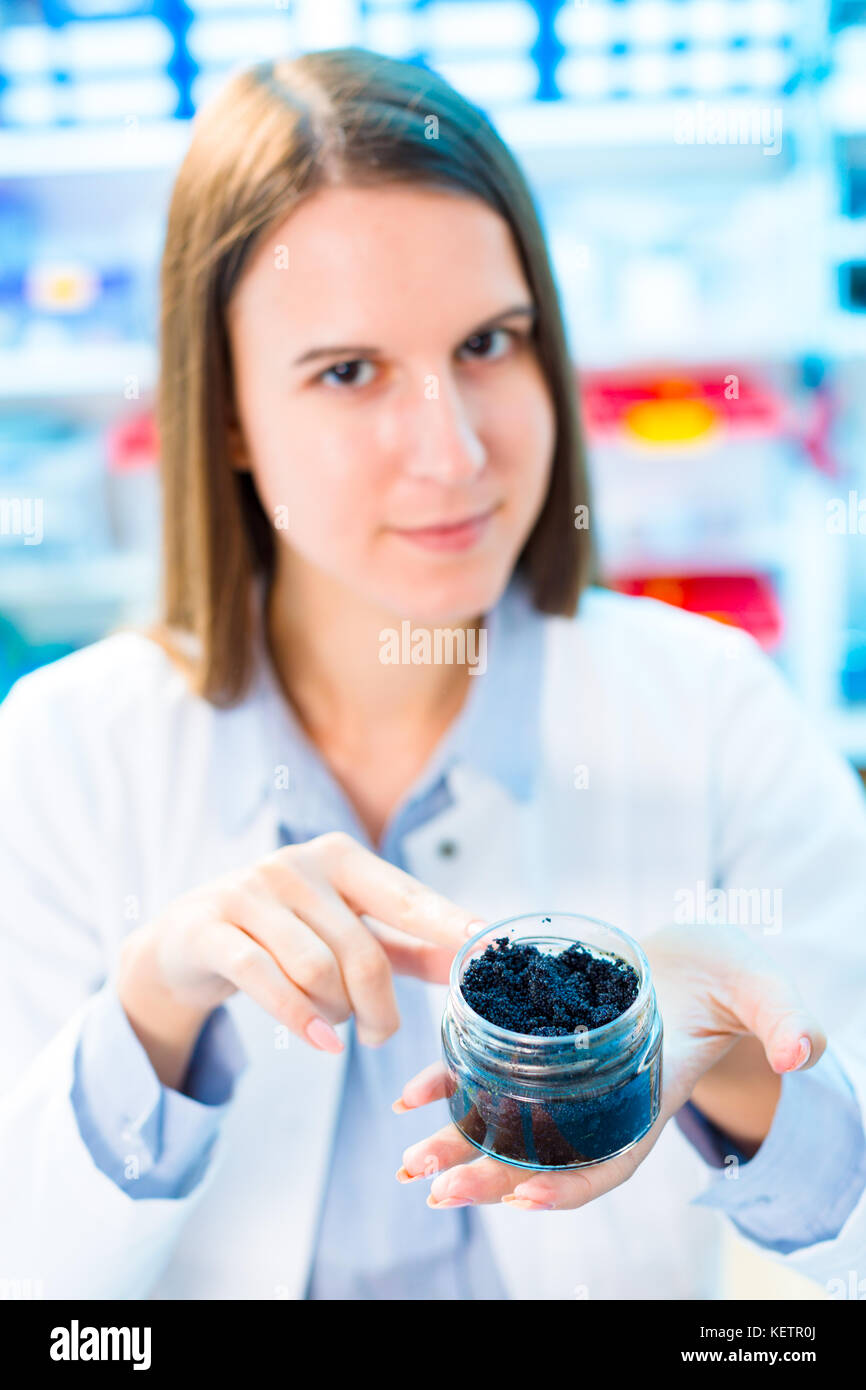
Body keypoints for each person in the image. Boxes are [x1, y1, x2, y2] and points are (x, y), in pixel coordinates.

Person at [1, 48, 865, 1302]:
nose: (452, 448)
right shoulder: (64, 750)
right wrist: (147, 1012)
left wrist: (742, 1075)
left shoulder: (718, 711)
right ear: (228, 412)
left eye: (487, 343)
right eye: (348, 371)